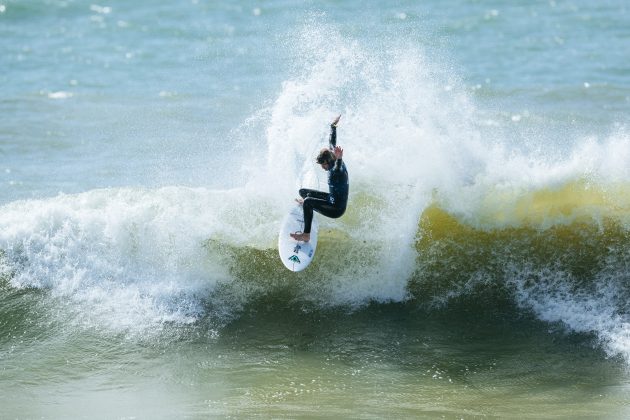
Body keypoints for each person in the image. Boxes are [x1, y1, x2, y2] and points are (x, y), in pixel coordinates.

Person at [290, 115, 349, 242]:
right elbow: (332, 142)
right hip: (331, 198)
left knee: (307, 201)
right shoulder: (332, 155)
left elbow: (338, 168)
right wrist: (333, 126)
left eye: (323, 165)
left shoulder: (336, 170)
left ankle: (306, 235)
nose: (322, 167)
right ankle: (309, 208)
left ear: (329, 162)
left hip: (336, 208)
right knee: (303, 193)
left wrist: (339, 159)